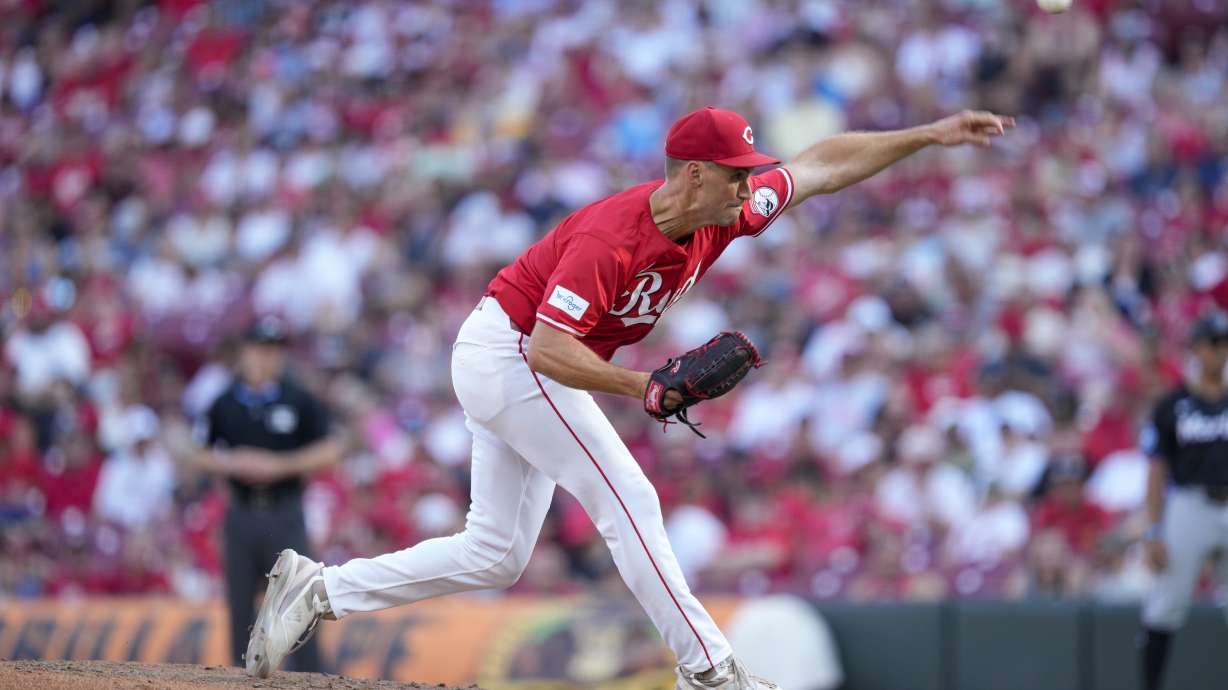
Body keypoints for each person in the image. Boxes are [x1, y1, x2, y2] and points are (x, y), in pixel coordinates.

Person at [244, 106, 1013, 688]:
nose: (752, 185)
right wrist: (641, 384)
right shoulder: (611, 238)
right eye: (737, 172)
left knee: (497, 554)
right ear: (693, 176)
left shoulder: (725, 213)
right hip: (510, 352)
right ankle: (710, 670)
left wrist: (928, 133)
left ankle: (320, 587)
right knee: (628, 496)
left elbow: (817, 167)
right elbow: (547, 348)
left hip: (524, 357)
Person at [193, 316, 345, 671]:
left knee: (300, 600)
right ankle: (243, 674)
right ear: (244, 352)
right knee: (240, 604)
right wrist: (233, 463)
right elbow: (198, 452)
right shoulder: (225, 403)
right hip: (242, 511)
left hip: (285, 509)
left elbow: (331, 449)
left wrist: (277, 466)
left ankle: (310, 676)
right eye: (260, 349)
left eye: (274, 350)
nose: (266, 358)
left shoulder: (299, 400)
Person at [1139, 313, 1228, 690]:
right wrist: (1154, 529)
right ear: (1195, 348)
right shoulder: (1172, 404)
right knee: (1165, 606)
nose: (1220, 351)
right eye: (1213, 343)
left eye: (1224, 343)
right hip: (1189, 505)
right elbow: (1157, 471)